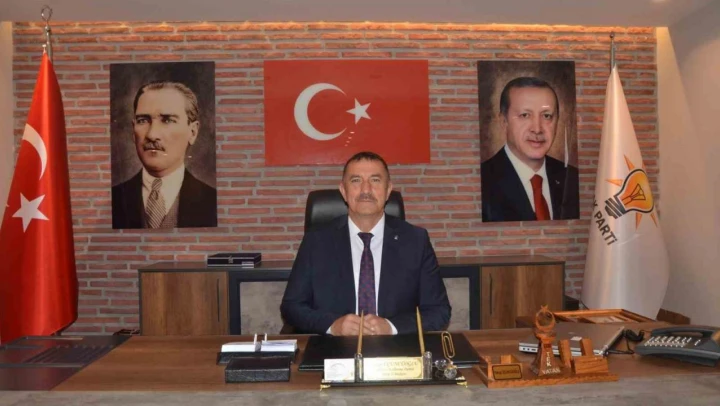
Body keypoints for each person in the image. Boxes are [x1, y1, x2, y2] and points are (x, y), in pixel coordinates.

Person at [281, 151, 451, 335]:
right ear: (343, 191)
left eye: (375, 180)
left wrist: (391, 327)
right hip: (333, 346)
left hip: (396, 348)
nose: (366, 190)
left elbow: (439, 311)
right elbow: (292, 307)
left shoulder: (415, 240)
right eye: (356, 180)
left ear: (388, 190)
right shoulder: (316, 241)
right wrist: (333, 325)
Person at [112, 81, 217, 229]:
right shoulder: (114, 200)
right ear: (133, 131)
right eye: (143, 121)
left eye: (167, 120)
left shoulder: (214, 203)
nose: (152, 134)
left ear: (192, 132)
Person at [481, 77, 579, 222]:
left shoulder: (572, 179)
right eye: (525, 115)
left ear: (557, 121)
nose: (537, 129)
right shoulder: (482, 182)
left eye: (547, 116)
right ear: (503, 121)